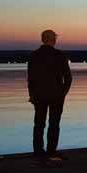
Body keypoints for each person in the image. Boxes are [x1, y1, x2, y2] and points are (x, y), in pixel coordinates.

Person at [27, 29, 72, 160]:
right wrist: (63, 93)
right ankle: (51, 151)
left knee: (39, 124)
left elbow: (30, 78)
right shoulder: (60, 55)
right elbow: (68, 78)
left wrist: (32, 94)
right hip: (56, 95)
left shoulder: (34, 55)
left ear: (42, 39)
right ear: (54, 40)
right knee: (54, 124)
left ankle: (38, 151)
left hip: (39, 95)